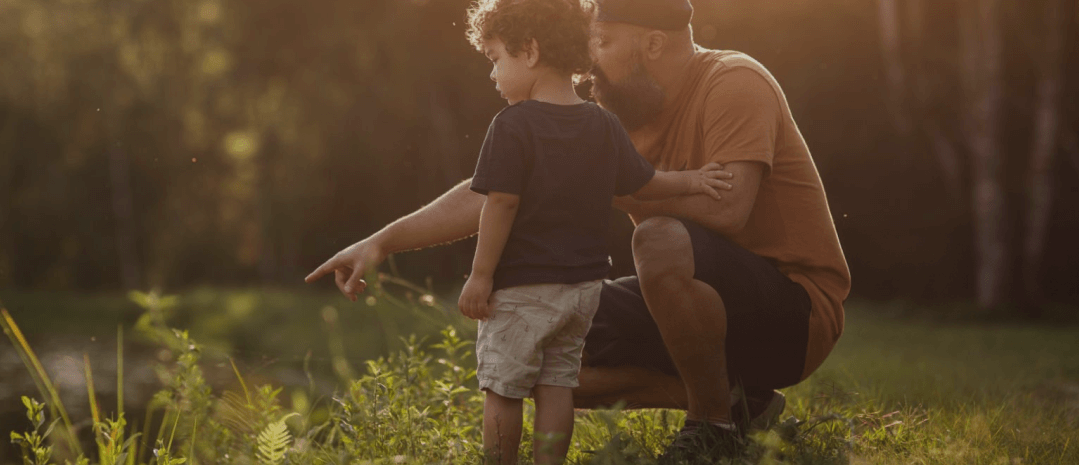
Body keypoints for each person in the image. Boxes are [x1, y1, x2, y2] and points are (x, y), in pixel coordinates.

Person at [307, 0, 850, 461]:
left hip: (793, 315)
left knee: (656, 239)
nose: (589, 63)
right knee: (541, 336)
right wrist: (381, 242)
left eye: (603, 43)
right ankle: (740, 404)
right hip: (688, 303)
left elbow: (731, 211)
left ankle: (713, 431)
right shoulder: (618, 113)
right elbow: (494, 189)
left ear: (653, 44)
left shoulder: (734, 82)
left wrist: (598, 188)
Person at [457, 1, 733, 463]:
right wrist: (693, 180)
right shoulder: (602, 123)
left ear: (530, 51)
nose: (493, 74)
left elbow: (500, 203)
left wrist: (481, 276)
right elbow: (644, 182)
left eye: (495, 58)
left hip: (522, 287)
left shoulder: (512, 125)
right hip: (581, 290)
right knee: (556, 384)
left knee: (503, 387)